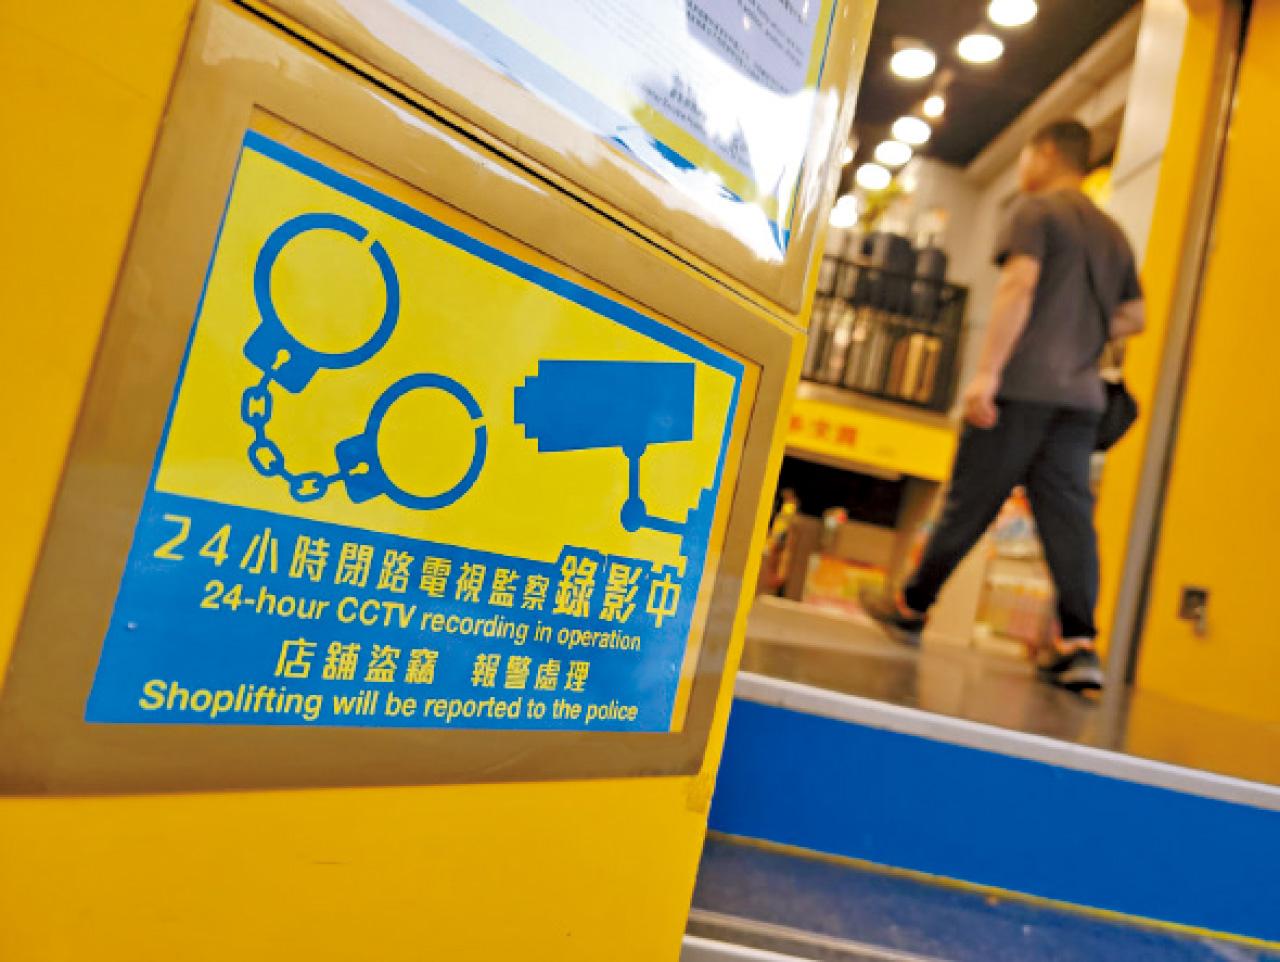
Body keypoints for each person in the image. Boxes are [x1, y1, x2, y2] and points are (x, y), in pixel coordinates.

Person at [862, 120, 1146, 693]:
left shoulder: (1035, 212)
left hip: (1021, 389)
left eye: (1025, 156)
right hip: (1080, 401)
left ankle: (912, 607)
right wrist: (1081, 333)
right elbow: (1133, 317)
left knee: (970, 501)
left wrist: (988, 374)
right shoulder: (1113, 233)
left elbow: (1018, 286)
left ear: (1045, 154)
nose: (1022, 167)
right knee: (1070, 520)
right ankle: (1079, 644)